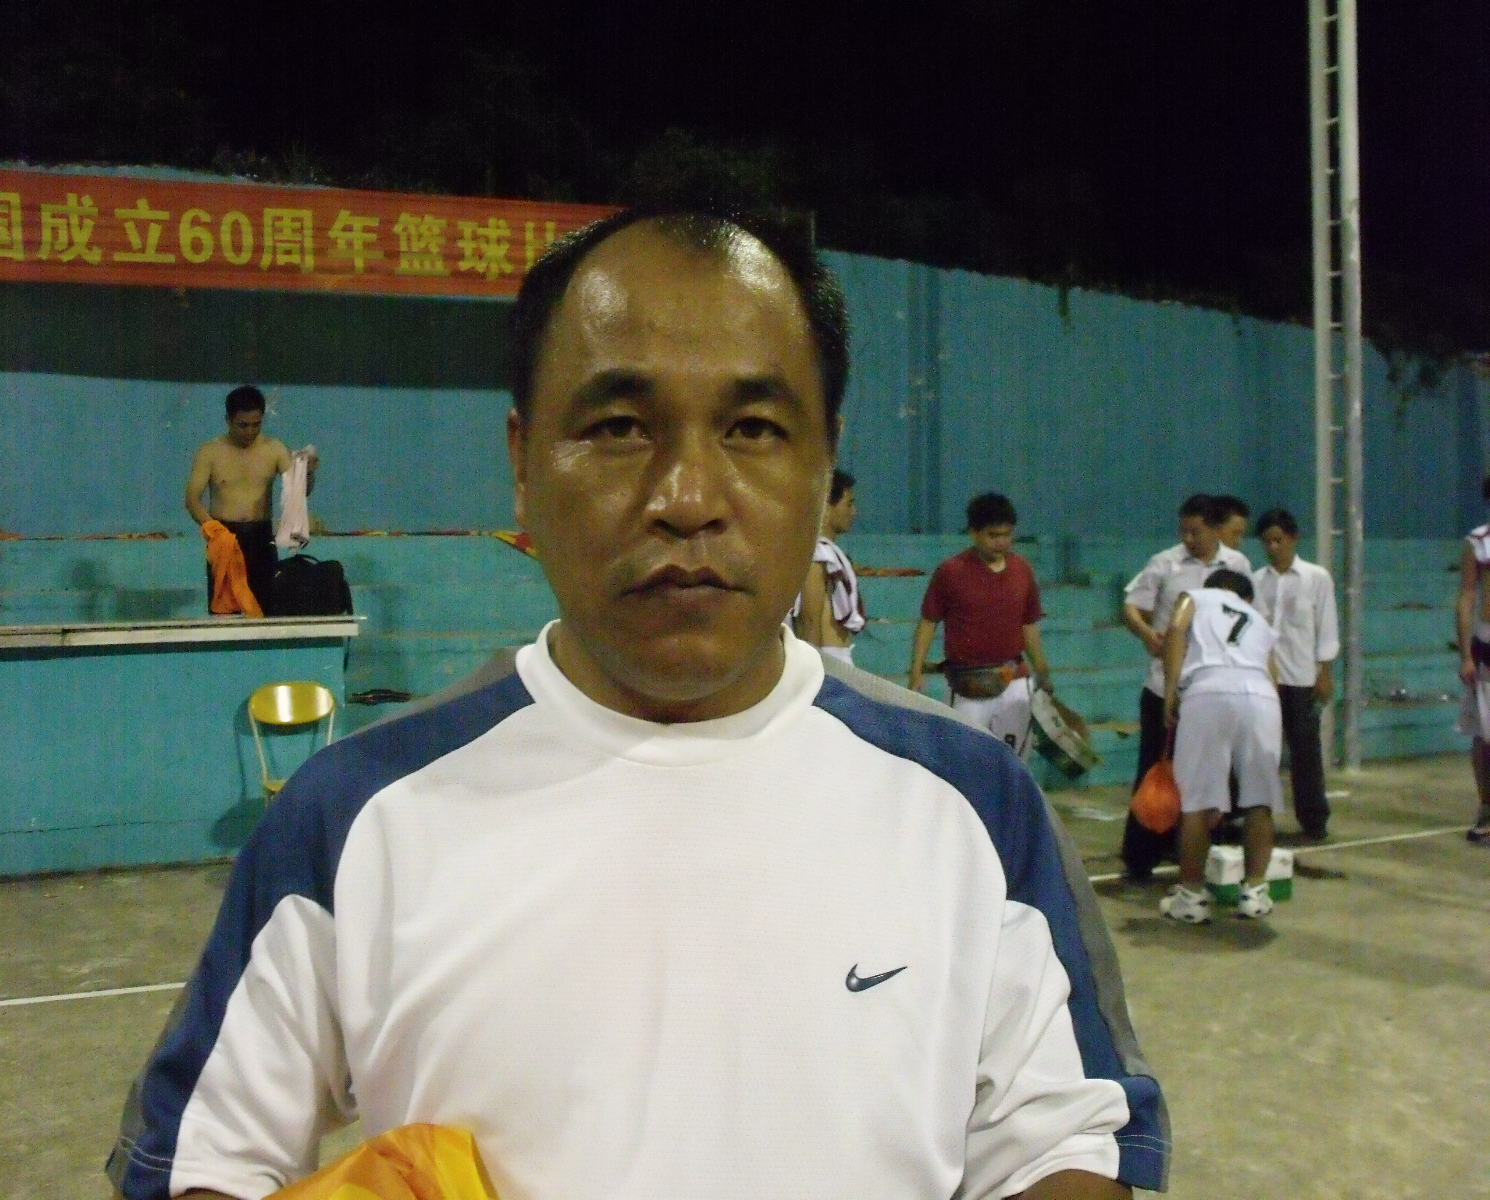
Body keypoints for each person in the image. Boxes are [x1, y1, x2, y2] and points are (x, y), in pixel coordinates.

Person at [109, 206, 1166, 1200]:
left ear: (824, 463)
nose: (687, 498)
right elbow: (205, 1154)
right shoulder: (353, 815)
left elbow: (1069, 1141)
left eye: (753, 428)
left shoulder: (974, 802)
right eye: (618, 426)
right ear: (524, 464)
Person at [1118, 494, 1252, 879]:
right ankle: (1141, 858)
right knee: (1155, 772)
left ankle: (1195, 854)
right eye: (1184, 532)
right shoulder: (1165, 563)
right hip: (1164, 687)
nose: (1189, 539)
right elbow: (1131, 607)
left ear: (1216, 529)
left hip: (1212, 688)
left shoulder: (1237, 565)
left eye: (1197, 532)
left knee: (1208, 776)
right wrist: (1147, 633)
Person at [1158, 569, 1283, 923]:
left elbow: (1175, 631)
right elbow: (1273, 673)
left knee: (1197, 802)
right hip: (1261, 696)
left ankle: (1191, 898)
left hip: (1208, 690)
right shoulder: (1257, 618)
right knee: (1260, 799)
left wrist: (1171, 690)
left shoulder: (1195, 597)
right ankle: (1255, 893)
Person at [909, 492, 1054, 756]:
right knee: (964, 760)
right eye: (993, 535)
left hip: (1015, 680)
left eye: (1007, 534)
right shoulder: (951, 572)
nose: (1001, 542)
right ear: (974, 533)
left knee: (1013, 762)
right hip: (967, 685)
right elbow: (929, 622)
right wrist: (916, 671)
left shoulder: (1022, 570)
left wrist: (1042, 670)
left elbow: (1029, 625)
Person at [184, 386, 318, 612]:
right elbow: (192, 500)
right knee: (225, 613)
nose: (249, 431)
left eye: (256, 424)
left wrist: (309, 472)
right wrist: (214, 531)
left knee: (266, 610)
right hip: (225, 537)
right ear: (228, 420)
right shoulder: (210, 452)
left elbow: (299, 493)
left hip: (261, 538)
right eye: (243, 425)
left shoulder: (274, 449)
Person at [1253, 508, 1339, 841]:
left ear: (1293, 538)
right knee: (1262, 752)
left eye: (1278, 540)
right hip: (1266, 679)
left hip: (1303, 677)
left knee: (1305, 752)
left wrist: (1325, 672)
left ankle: (1314, 819)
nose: (1272, 547)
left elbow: (1326, 627)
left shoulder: (1317, 578)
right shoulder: (1257, 581)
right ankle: (1257, 818)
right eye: (1267, 542)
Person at [792, 467, 864, 664]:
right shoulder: (817, 555)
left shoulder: (827, 552)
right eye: (848, 504)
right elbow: (809, 620)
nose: (854, 512)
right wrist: (810, 669)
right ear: (825, 505)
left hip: (836, 659)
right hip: (826, 660)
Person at [1455, 475, 1490, 845]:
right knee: (1484, 735)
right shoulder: (1478, 542)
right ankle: (1487, 806)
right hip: (1486, 649)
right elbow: (1466, 596)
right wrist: (1466, 654)